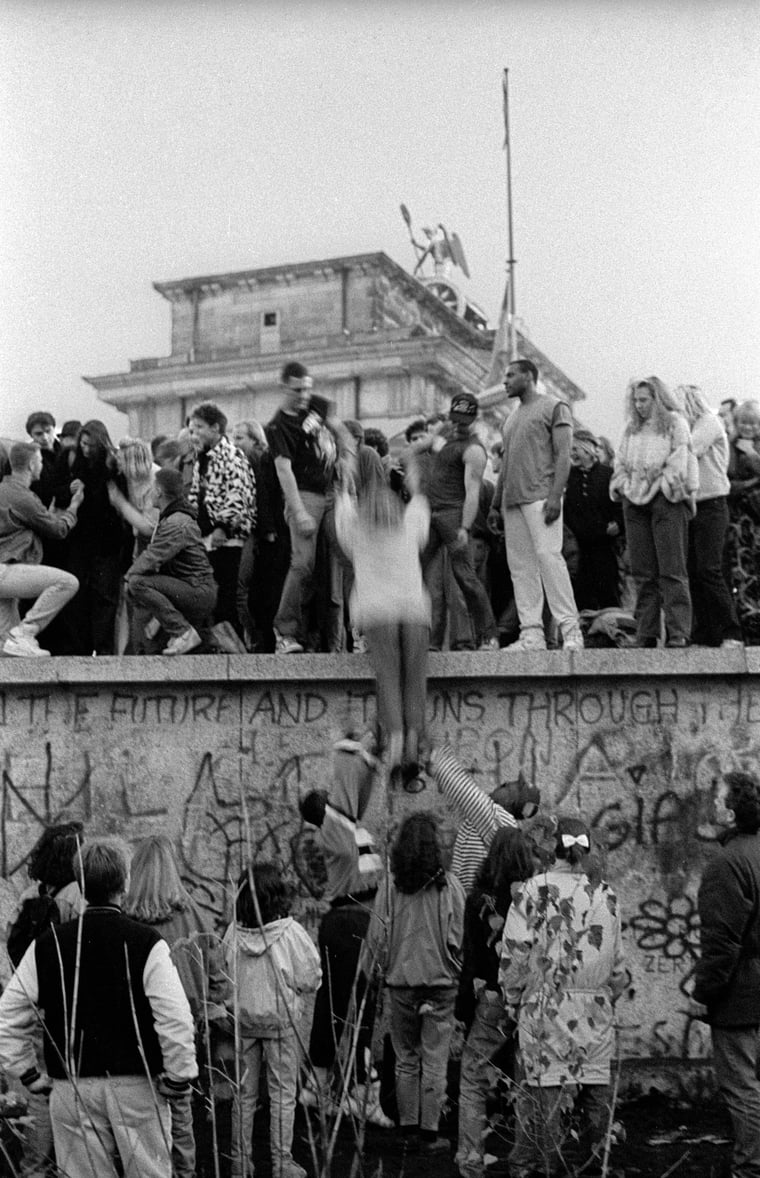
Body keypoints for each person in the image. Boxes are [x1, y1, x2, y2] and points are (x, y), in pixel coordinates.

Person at [0, 836, 198, 1178]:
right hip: (136, 1087)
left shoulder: (48, 944)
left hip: (72, 1087)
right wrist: (179, 1078)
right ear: (125, 883)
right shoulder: (146, 943)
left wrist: (29, 1075)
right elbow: (175, 1018)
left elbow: (7, 1015)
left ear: (80, 883)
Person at [500, 816, 626, 1178]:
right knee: (596, 1094)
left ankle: (544, 1169)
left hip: (544, 1008)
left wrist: (512, 998)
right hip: (596, 1008)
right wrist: (606, 995)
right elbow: (617, 963)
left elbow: (515, 955)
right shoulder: (606, 894)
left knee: (545, 1095)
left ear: (550, 849)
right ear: (585, 851)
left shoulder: (531, 891)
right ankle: (596, 1166)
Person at [124, 834, 229, 1178]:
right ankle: (184, 1171)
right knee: (182, 1108)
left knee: (139, 1112)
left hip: (136, 1029)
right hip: (185, 1026)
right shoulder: (194, 914)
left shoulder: (125, 918)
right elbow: (217, 975)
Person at [298, 735, 388, 1122]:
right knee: (361, 1008)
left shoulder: (338, 837)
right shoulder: (339, 836)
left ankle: (316, 1087)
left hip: (342, 921)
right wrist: (353, 754)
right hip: (356, 922)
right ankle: (361, 1096)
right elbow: (348, 797)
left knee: (331, 1006)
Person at [364, 811, 465, 1155]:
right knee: (435, 1059)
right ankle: (429, 1133)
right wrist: (455, 969)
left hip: (402, 983)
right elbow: (457, 938)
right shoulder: (449, 886)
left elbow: (377, 936)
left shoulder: (390, 887)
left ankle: (407, 1128)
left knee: (405, 1056)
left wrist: (373, 973)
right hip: (441, 983)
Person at [222, 861, 321, 1178]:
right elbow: (311, 977)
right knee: (282, 1096)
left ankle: (240, 1161)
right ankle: (281, 1163)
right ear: (280, 897)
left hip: (244, 1023)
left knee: (244, 1095)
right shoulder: (291, 933)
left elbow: (223, 972)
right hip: (281, 1025)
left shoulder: (232, 933)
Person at [335, 477, 430, 784]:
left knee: (388, 678)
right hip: (415, 609)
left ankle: (397, 741)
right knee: (414, 679)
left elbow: (344, 509)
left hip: (378, 612)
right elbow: (419, 500)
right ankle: (414, 740)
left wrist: (347, 490)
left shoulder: (357, 533)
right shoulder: (410, 526)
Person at [6, 823, 85, 1178]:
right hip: (66, 1008)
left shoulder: (28, 896)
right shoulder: (76, 898)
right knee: (71, 1092)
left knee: (38, 1093)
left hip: (33, 1001)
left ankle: (33, 1168)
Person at [456, 828, 535, 1178]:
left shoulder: (478, 901)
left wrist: (462, 1011)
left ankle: (471, 1159)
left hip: (491, 997)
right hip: (530, 998)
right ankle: (526, 1161)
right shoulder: (536, 899)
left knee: (473, 1075)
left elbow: (470, 958)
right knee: (528, 1078)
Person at [489, 359, 583, 651]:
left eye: (511, 375)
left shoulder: (554, 406)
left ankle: (571, 631)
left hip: (541, 497)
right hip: (512, 502)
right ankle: (531, 634)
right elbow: (505, 464)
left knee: (549, 559)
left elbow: (564, 453)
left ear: (529, 377)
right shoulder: (511, 418)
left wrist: (556, 496)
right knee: (521, 568)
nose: (505, 381)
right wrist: (495, 504)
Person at [692, 772, 760, 1178]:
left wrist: (704, 993)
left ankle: (750, 1169)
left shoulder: (726, 864)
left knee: (743, 1088)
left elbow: (722, 943)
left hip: (741, 996)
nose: (712, 806)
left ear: (731, 815)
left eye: (717, 801)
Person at [610, 377, 697, 648]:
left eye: (644, 400)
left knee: (672, 569)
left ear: (657, 399)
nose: (639, 405)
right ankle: (646, 631)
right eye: (635, 400)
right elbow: (620, 462)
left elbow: (679, 462)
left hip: (666, 499)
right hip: (634, 502)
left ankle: (678, 631)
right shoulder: (631, 429)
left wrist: (659, 486)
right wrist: (624, 486)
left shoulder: (675, 423)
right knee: (642, 570)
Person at [266, 362, 338, 653]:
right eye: (298, 390)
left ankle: (340, 633)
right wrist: (299, 512)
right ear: (284, 388)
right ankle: (284, 631)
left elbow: (340, 430)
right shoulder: (277, 426)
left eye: (308, 388)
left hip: (332, 490)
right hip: (306, 496)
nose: (304, 395)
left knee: (343, 561)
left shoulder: (316, 405)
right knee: (302, 564)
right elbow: (284, 471)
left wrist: (347, 458)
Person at [420, 391, 500, 651]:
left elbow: (473, 490)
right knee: (417, 573)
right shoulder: (446, 438)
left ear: (473, 420)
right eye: (455, 419)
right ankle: (427, 640)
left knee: (465, 577)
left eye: (463, 421)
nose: (458, 425)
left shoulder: (474, 449)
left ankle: (489, 635)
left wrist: (465, 527)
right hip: (432, 513)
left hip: (453, 515)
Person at [0, 442, 83, 657]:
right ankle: (27, 632)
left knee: (7, 649)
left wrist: (46, 513)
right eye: (40, 461)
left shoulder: (5, 490)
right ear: (30, 466)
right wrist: (74, 506)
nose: (42, 465)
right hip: (4, 570)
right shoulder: (23, 496)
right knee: (67, 582)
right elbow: (58, 530)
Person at [124, 466, 218, 655]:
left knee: (137, 583)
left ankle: (183, 632)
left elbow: (152, 556)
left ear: (158, 491)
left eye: (152, 487)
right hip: (191, 588)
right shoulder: (172, 517)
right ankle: (191, 637)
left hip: (197, 591)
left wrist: (128, 577)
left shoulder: (176, 522)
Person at [57, 420, 131, 655]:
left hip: (105, 541)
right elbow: (59, 494)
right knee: (78, 597)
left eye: (91, 445)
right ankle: (80, 648)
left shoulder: (112, 465)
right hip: (82, 540)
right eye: (84, 444)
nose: (87, 449)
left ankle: (103, 648)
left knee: (104, 598)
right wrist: (70, 489)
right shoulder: (75, 462)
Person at [678, 384, 743, 647]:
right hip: (693, 506)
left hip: (712, 504)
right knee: (694, 570)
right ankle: (705, 631)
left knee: (709, 569)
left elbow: (690, 449)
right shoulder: (695, 426)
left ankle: (731, 631)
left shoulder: (709, 422)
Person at [188, 401, 256, 634]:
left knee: (226, 594)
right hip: (206, 537)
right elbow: (195, 495)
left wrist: (223, 528)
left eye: (199, 426)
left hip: (228, 538)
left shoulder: (231, 456)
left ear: (215, 428)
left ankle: (231, 643)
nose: (194, 432)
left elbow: (239, 495)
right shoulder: (202, 458)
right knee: (211, 594)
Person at [563, 427, 623, 611]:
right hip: (580, 547)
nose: (573, 454)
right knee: (582, 593)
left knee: (608, 590)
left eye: (576, 449)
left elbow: (619, 505)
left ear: (588, 450)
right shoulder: (569, 477)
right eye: (571, 450)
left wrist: (618, 525)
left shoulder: (607, 474)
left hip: (605, 545)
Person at [726, 400, 760, 644]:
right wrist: (753, 482)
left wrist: (753, 457)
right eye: (744, 422)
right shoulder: (730, 448)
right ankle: (750, 628)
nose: (748, 427)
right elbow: (728, 484)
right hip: (742, 522)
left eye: (753, 422)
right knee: (744, 574)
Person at [25, 412, 60, 507]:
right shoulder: (27, 456)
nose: (45, 437)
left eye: (48, 431)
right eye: (38, 434)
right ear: (31, 435)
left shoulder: (65, 450)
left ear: (54, 429)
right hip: (42, 508)